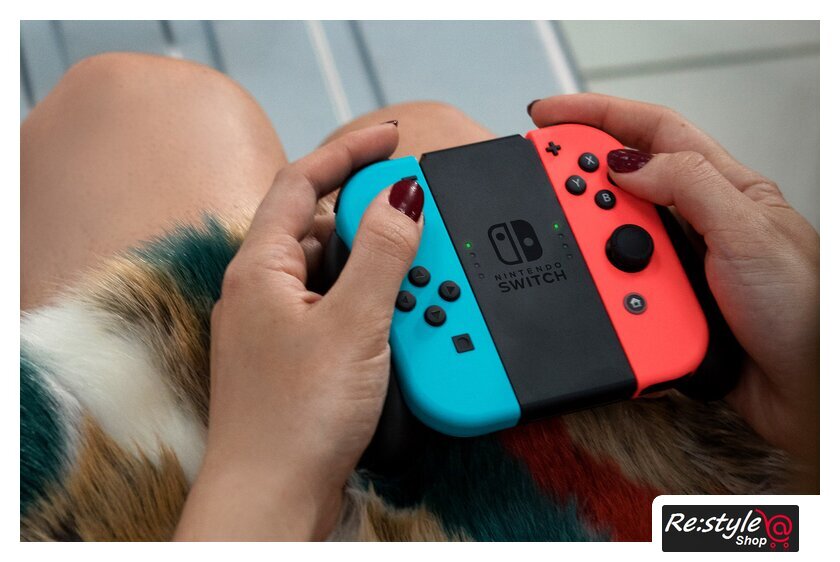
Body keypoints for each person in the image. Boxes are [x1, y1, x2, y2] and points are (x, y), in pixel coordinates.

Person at [21, 53, 819, 541]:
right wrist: (816, 403)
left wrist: (266, 473)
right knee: (429, 132)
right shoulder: (764, 525)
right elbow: (765, 538)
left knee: (135, 100)